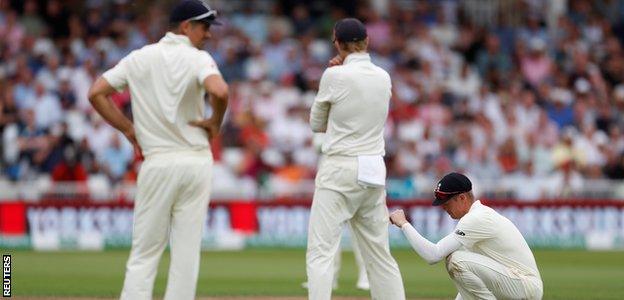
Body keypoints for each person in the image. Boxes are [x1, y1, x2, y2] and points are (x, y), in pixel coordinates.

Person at [87, 1, 228, 299]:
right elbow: (220, 90)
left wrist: (128, 129)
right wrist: (215, 122)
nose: (209, 35)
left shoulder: (139, 58)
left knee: (145, 252)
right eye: (204, 27)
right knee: (186, 253)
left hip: (158, 163)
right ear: (186, 27)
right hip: (195, 163)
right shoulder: (198, 59)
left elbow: (97, 92)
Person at [306, 18, 405, 300]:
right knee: (379, 254)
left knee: (321, 252)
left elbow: (316, 123)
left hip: (340, 167)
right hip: (373, 168)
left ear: (337, 43)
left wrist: (331, 76)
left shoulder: (334, 75)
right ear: (367, 42)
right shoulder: (384, 76)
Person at [389, 172, 543, 300]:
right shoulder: (475, 218)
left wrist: (404, 224)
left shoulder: (476, 218)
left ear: (462, 198)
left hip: (525, 286)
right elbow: (469, 283)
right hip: (517, 283)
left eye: (446, 202)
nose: (443, 207)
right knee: (461, 259)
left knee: (456, 259)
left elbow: (433, 255)